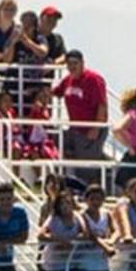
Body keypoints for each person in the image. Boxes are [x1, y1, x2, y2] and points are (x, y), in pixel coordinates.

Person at [51, 50, 110, 179]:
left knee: (86, 168)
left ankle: (96, 183)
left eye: (75, 63)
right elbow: (56, 92)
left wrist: (96, 127)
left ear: (82, 63)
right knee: (56, 141)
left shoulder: (93, 79)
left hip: (90, 129)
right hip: (75, 129)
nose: (72, 67)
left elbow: (102, 105)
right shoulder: (68, 80)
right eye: (69, 64)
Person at [0, 87, 22, 158]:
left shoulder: (12, 113)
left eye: (10, 101)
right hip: (1, 144)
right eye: (5, 101)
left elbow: (17, 128)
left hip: (13, 142)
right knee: (15, 148)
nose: (8, 103)